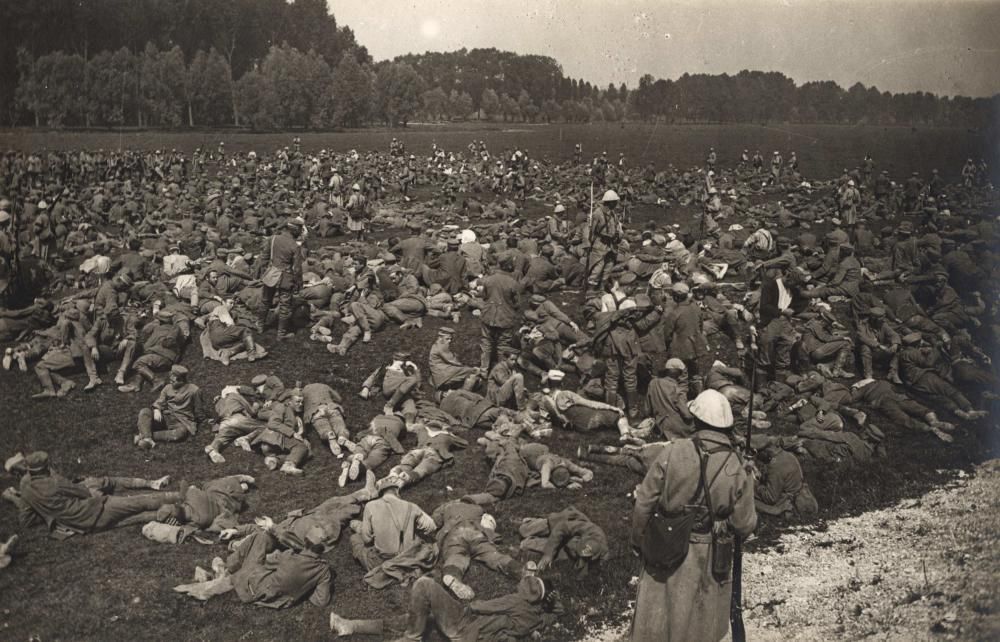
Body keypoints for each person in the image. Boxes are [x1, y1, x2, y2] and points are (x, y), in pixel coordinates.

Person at [630, 389, 757, 642]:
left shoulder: (672, 451)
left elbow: (644, 502)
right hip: (707, 555)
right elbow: (744, 525)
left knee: (659, 617)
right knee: (698, 622)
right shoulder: (736, 465)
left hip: (665, 545)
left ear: (696, 420)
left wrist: (637, 540)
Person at [7, 451, 180, 536]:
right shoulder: (55, 482)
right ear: (45, 467)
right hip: (95, 510)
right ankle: (180, 496)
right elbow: (82, 492)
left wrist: (14, 498)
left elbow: (26, 520)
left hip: (81, 526)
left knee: (141, 516)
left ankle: (171, 513)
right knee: (139, 502)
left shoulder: (25, 486)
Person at [329, 575, 554, 640]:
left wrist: (470, 606)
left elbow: (482, 606)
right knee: (411, 619)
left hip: (465, 625)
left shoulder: (518, 601)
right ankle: (350, 626)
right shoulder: (537, 618)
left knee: (424, 585)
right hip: (474, 636)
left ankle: (412, 638)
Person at [174, 517, 332, 608]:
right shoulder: (324, 571)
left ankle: (226, 570)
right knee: (260, 543)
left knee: (261, 538)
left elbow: (265, 562)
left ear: (305, 540)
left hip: (251, 587)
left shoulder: (288, 556)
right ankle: (226, 570)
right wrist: (303, 587)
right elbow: (321, 601)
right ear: (323, 549)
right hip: (277, 599)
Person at [133, 364, 206, 449]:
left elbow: (198, 410)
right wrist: (157, 409)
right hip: (166, 417)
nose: (171, 381)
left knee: (181, 433)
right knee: (145, 411)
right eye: (171, 378)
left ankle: (145, 436)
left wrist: (204, 419)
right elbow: (159, 402)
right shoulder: (167, 388)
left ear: (181, 379)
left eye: (173, 379)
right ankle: (147, 439)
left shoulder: (194, 390)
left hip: (181, 421)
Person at [256, 216, 304, 340]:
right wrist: (299, 282)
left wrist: (263, 273)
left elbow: (264, 258)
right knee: (285, 305)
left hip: (271, 274)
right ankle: (281, 334)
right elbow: (297, 269)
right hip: (286, 278)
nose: (301, 232)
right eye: (300, 230)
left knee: (265, 300)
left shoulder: (272, 239)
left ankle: (260, 326)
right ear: (294, 231)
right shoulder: (295, 246)